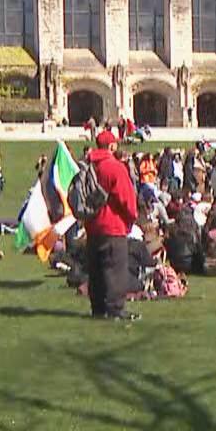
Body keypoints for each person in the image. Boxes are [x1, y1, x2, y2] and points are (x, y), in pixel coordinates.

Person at [84, 130, 141, 321]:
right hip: (113, 225)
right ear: (112, 146)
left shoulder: (88, 166)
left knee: (97, 270)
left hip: (92, 223)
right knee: (115, 269)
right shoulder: (114, 167)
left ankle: (98, 308)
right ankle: (115, 308)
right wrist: (132, 217)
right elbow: (127, 198)